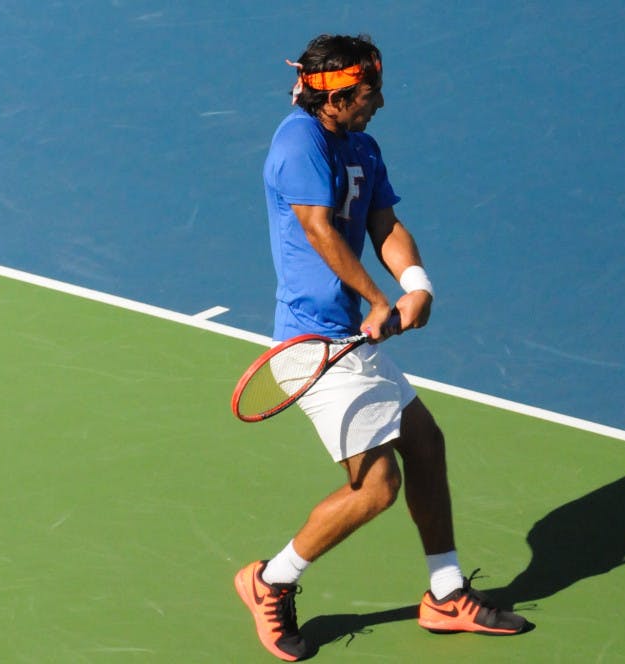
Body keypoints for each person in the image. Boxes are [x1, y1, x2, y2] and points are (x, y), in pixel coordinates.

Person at [233, 34, 531, 661]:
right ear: (337, 97)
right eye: (370, 93)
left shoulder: (360, 145)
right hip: (315, 345)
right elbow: (317, 228)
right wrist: (376, 299)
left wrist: (415, 284)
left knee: (425, 443)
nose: (382, 103)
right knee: (375, 489)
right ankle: (272, 580)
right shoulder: (298, 143)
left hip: (353, 342)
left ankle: (445, 594)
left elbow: (384, 224)